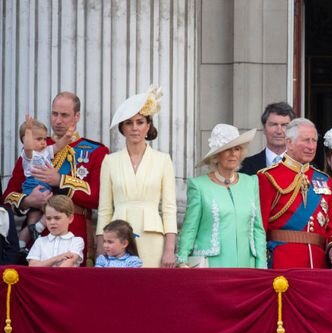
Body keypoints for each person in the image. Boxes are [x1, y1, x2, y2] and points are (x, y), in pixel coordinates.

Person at [2, 92, 108, 265]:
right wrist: (28, 201)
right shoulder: (35, 149)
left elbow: (98, 198)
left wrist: (60, 181)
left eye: (64, 115)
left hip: (74, 231)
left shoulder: (95, 151)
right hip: (37, 238)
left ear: (77, 116)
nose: (58, 121)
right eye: (54, 114)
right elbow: (7, 196)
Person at [96, 85, 177, 268]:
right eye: (129, 123)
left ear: (148, 126)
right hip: (117, 237)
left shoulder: (163, 160)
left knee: (151, 290)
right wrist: (101, 247)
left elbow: (169, 208)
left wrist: (169, 249)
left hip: (153, 237)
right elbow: (104, 209)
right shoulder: (109, 161)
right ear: (122, 128)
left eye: (140, 122)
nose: (134, 128)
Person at [176, 124, 267, 268]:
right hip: (212, 265)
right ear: (216, 155)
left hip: (247, 264)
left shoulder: (251, 182)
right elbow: (190, 227)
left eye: (237, 149)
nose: (233, 154)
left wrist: (262, 266)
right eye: (227, 149)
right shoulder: (199, 185)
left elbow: (258, 229)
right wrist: (182, 260)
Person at [258, 118, 332, 269]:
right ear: (289, 143)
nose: (311, 146)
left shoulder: (324, 180)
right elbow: (260, 227)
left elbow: (330, 227)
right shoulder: (268, 177)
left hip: (318, 264)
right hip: (282, 262)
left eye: (314, 141)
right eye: (306, 140)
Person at [16, 116, 74, 248]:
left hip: (44, 186)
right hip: (34, 185)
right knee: (52, 206)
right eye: (39, 139)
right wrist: (29, 130)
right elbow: (29, 146)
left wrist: (68, 135)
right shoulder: (28, 154)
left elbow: (59, 145)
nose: (43, 142)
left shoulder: (46, 151)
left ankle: (22, 244)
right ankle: (39, 228)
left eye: (44, 138)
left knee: (33, 218)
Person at [240, 102, 296, 175]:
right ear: (264, 129)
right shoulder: (245, 166)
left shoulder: (304, 167)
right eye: (273, 124)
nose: (279, 131)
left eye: (284, 125)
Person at [27, 195, 83, 267]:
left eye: (57, 218)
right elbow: (32, 266)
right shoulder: (40, 242)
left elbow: (68, 264)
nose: (52, 222)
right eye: (48, 218)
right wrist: (56, 259)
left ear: (70, 218)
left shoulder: (76, 241)